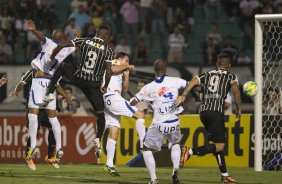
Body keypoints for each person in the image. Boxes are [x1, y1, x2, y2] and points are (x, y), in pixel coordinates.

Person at [45, 25, 134, 158]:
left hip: (78, 77)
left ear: (96, 33)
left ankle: (48, 94)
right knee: (101, 115)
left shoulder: (85, 41)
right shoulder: (108, 50)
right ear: (106, 36)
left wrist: (53, 55)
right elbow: (109, 72)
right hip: (93, 85)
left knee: (62, 67)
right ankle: (98, 139)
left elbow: (64, 44)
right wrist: (105, 86)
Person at [176, 53, 241, 183]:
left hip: (204, 112)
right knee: (220, 145)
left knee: (216, 145)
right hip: (216, 112)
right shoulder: (231, 76)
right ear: (229, 65)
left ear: (217, 64)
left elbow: (193, 81)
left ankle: (225, 175)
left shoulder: (208, 74)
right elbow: (236, 92)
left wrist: (183, 95)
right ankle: (189, 152)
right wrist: (238, 109)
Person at [25, 20, 76, 164]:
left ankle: (33, 145)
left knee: (33, 113)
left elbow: (41, 37)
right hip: (51, 84)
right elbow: (77, 44)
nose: (51, 37)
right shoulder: (67, 48)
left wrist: (34, 30)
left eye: (53, 36)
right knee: (53, 118)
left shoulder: (50, 43)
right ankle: (59, 148)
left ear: (57, 38)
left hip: (39, 82)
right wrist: (77, 37)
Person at [130, 59, 187, 184]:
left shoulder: (149, 87)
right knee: (175, 143)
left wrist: (144, 100)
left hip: (159, 123)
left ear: (154, 70)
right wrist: (183, 95)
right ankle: (175, 170)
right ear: (166, 69)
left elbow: (133, 101)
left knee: (146, 148)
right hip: (174, 121)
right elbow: (190, 84)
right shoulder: (175, 80)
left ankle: (154, 179)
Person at [10, 69, 72, 170]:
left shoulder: (52, 72)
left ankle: (50, 157)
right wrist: (16, 91)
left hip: (47, 107)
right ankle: (29, 157)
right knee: (35, 130)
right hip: (36, 107)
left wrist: (67, 98)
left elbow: (57, 86)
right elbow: (22, 82)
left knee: (53, 127)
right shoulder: (33, 72)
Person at [103, 52, 144, 176]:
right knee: (140, 115)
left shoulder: (122, 69)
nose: (127, 62)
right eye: (126, 60)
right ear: (120, 59)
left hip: (111, 99)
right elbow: (113, 68)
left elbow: (125, 88)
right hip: (111, 96)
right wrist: (128, 66)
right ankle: (144, 144)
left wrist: (126, 76)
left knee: (114, 133)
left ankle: (109, 164)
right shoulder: (115, 62)